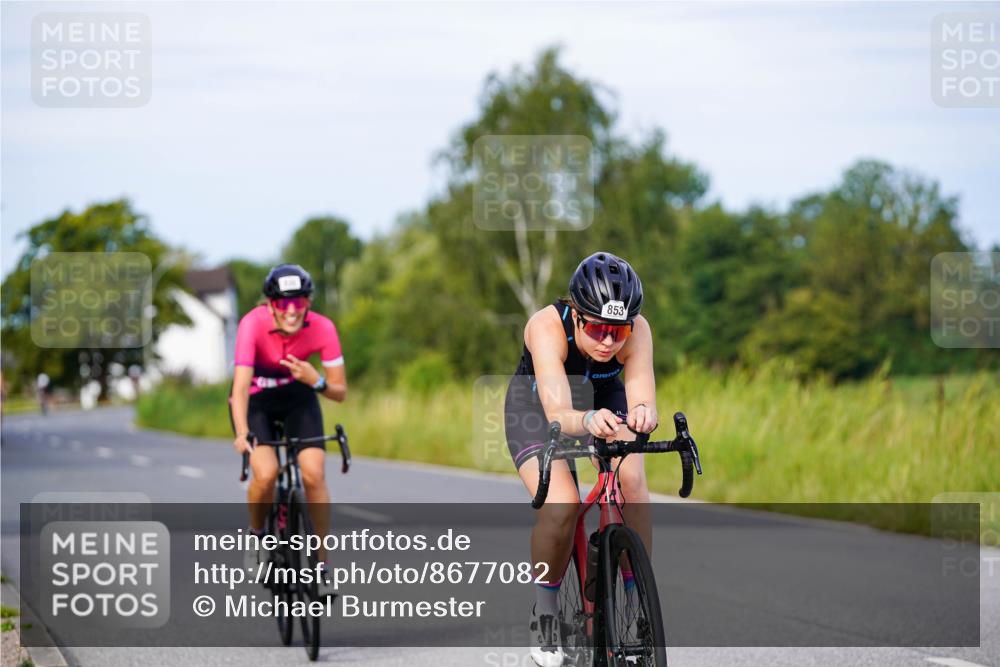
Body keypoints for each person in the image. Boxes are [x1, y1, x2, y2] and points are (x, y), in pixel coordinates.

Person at [505, 252, 658, 667]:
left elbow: (643, 395)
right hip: (538, 411)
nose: (609, 341)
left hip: (604, 399)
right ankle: (546, 614)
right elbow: (560, 414)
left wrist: (643, 414)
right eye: (597, 329)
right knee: (562, 506)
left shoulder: (637, 330)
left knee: (633, 480)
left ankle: (637, 595)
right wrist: (589, 421)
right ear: (575, 315)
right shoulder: (545, 327)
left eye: (619, 330)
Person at [229, 264, 347, 595]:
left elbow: (340, 391)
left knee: (313, 474)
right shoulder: (252, 324)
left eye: (299, 302)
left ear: (308, 302)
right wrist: (241, 432)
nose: (292, 311)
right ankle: (256, 537)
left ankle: (322, 567)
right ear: (270, 304)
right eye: (283, 303)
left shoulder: (323, 328)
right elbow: (238, 389)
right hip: (257, 402)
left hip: (299, 399)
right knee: (265, 473)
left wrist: (317, 380)